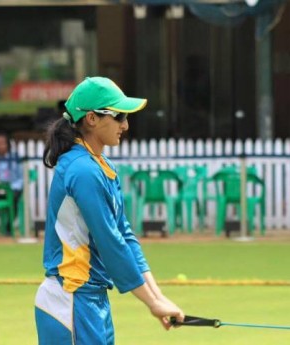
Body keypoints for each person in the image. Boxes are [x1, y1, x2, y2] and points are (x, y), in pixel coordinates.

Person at [34, 77, 184, 344]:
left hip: (91, 299)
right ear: (91, 119)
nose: (125, 125)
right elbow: (109, 242)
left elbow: (124, 235)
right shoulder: (83, 170)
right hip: (71, 298)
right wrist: (151, 302)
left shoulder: (101, 166)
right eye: (119, 116)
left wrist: (158, 299)